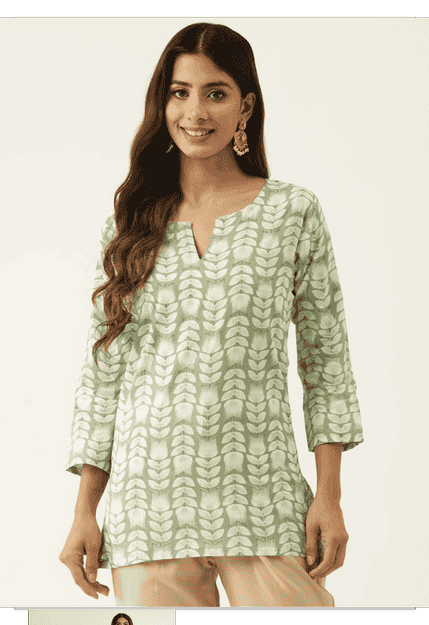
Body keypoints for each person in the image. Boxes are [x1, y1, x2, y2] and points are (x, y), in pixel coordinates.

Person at [59, 22, 364, 607]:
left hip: (264, 499)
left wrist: (330, 496)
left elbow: (326, 364)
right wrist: (83, 512)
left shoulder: (291, 212)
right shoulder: (129, 226)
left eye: (215, 93)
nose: (195, 112)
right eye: (180, 93)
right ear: (162, 104)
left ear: (245, 106)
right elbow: (102, 378)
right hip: (148, 508)